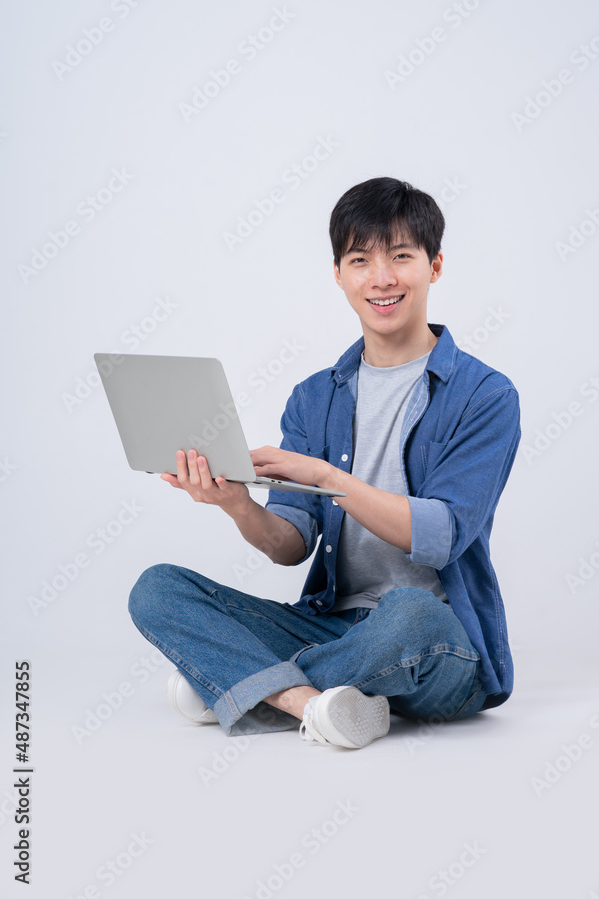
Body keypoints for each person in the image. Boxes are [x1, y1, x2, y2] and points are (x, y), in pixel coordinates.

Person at [128, 176, 521, 750]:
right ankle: (309, 704)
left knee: (409, 613)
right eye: (360, 260)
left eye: (402, 257)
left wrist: (327, 477)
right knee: (157, 589)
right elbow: (290, 547)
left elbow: (439, 536)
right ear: (338, 274)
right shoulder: (315, 398)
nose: (381, 279)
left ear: (434, 266)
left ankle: (240, 683)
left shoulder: (485, 395)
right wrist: (237, 505)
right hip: (332, 624)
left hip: (436, 639)